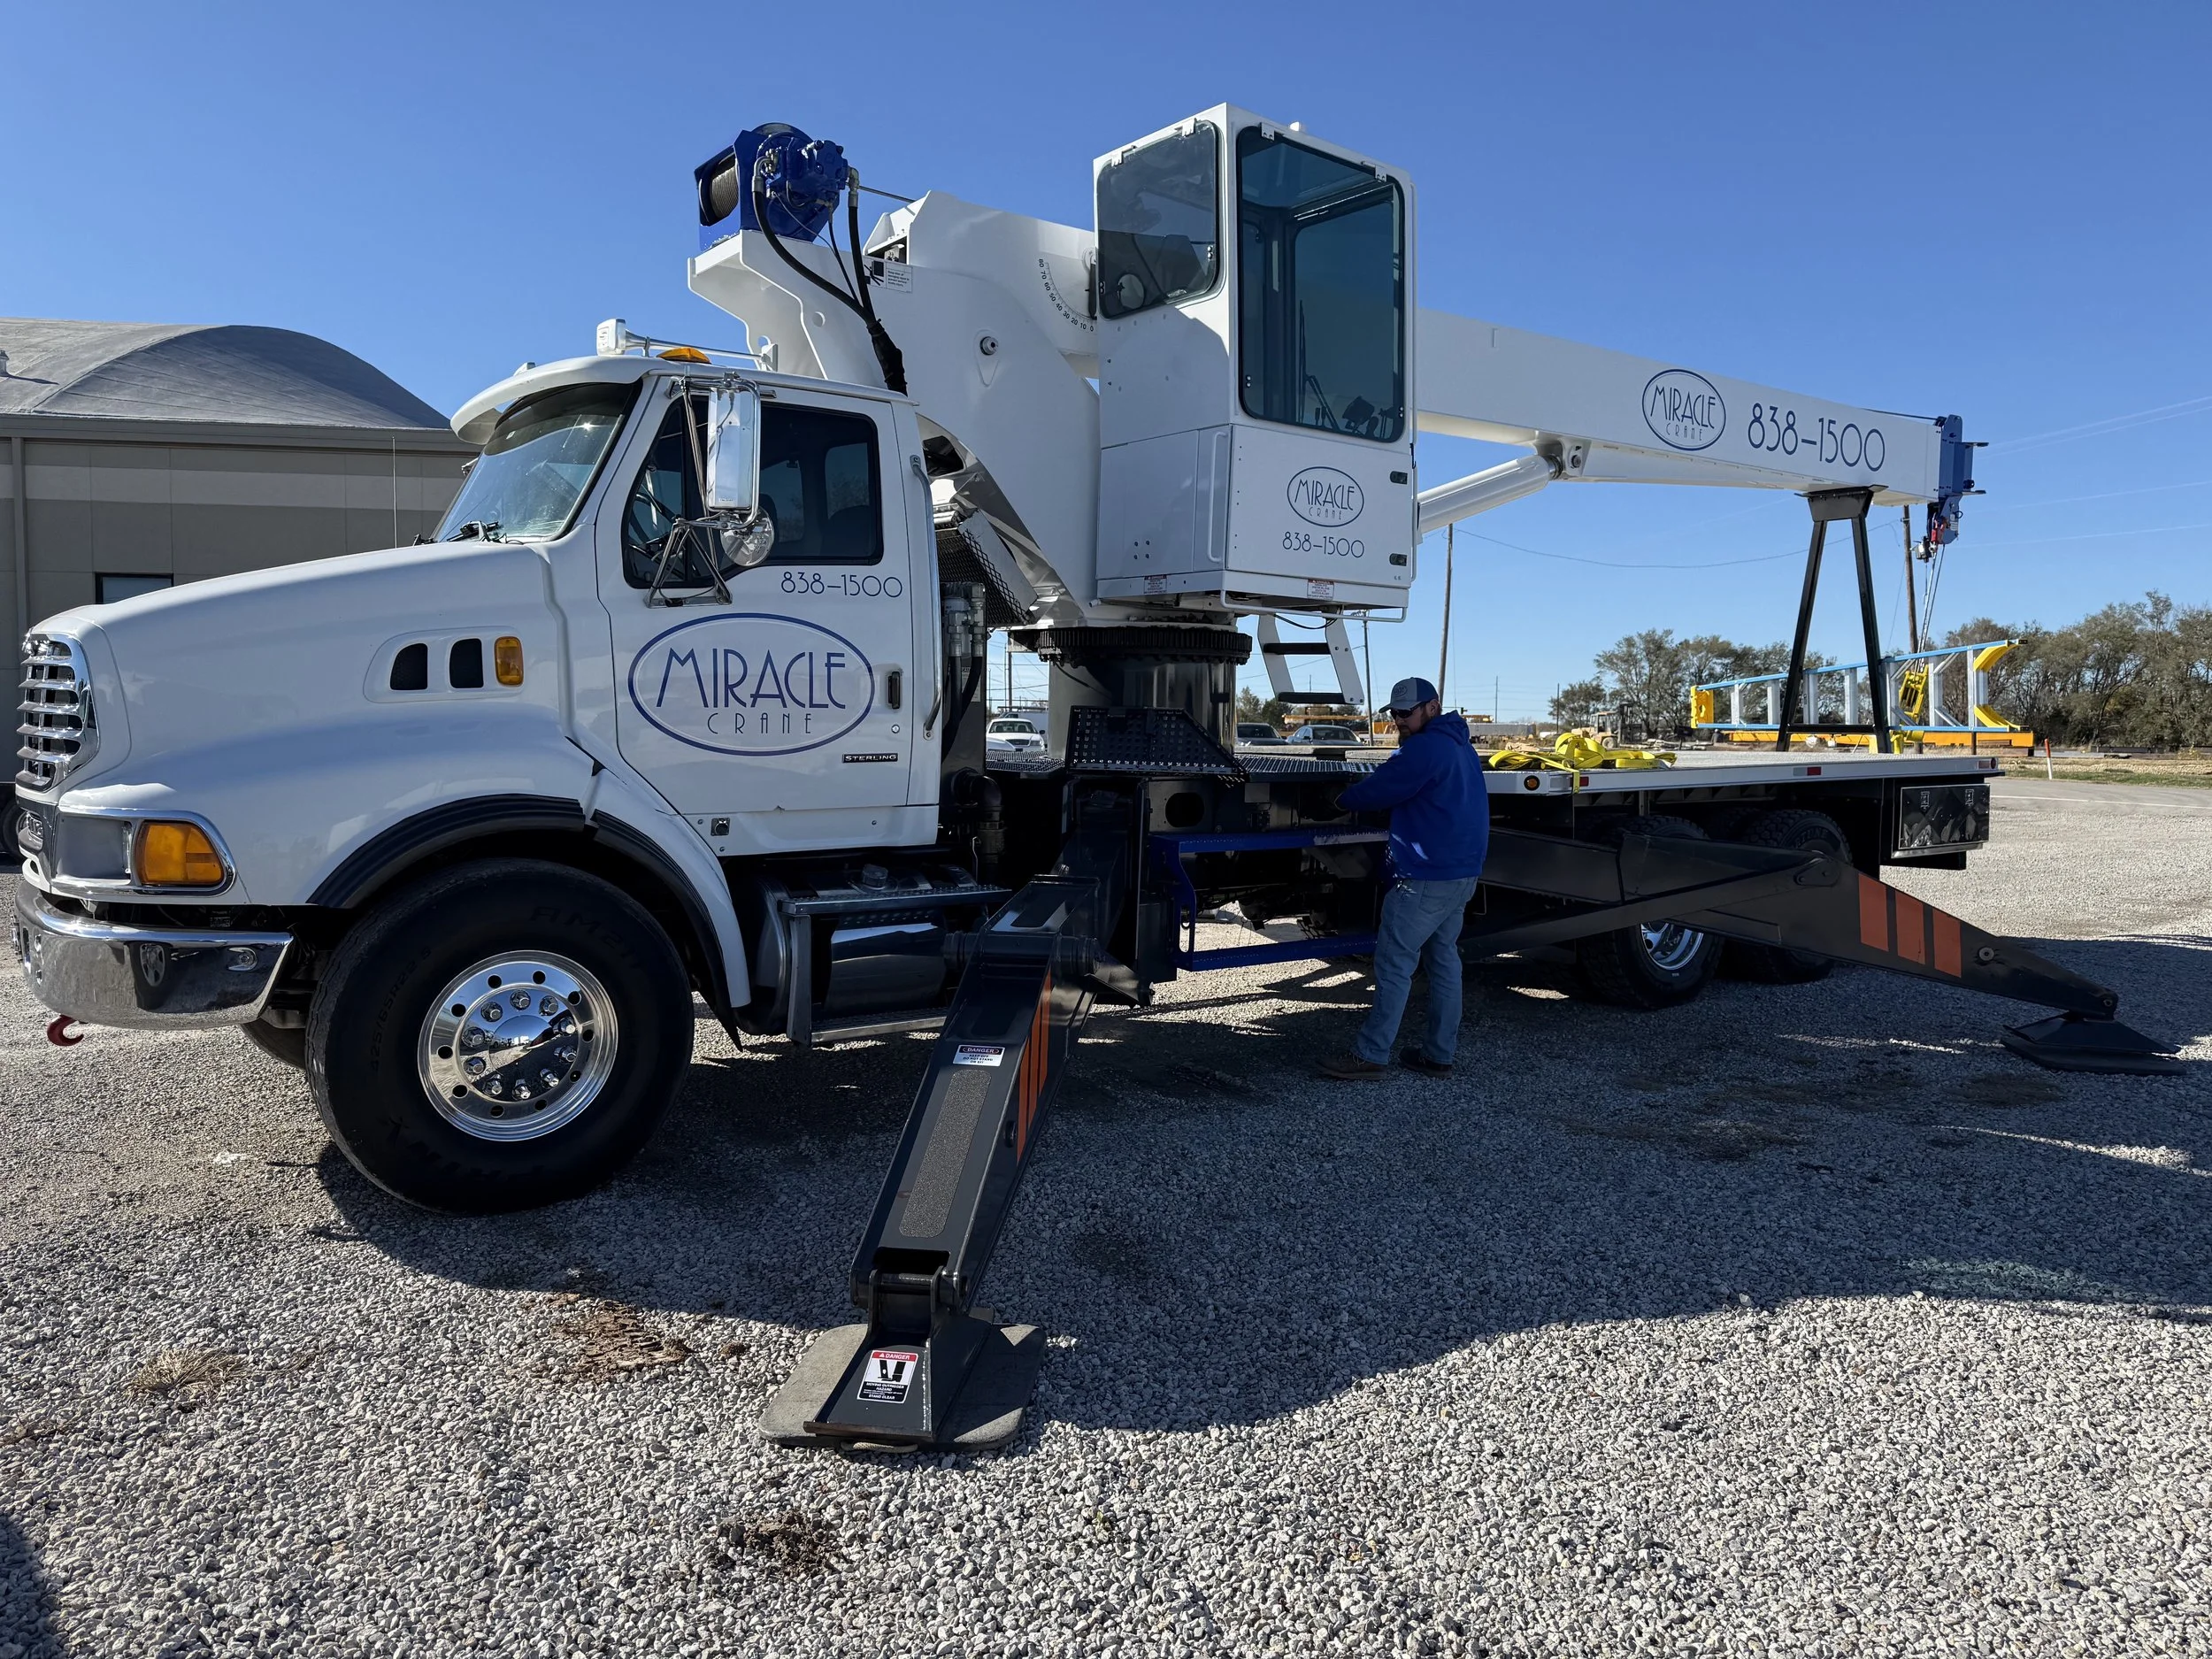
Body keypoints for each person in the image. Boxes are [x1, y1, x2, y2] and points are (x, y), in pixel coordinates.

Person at [1318, 678, 1489, 1079]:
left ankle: (1370, 1056)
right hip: (1460, 873)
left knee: (1394, 963)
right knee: (1444, 961)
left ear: (1432, 707)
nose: (1399, 721)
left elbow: (1380, 789)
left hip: (1425, 876)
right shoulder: (1459, 745)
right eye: (1394, 713)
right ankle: (1438, 1055)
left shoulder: (1425, 748)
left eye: (1406, 713)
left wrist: (1337, 800)